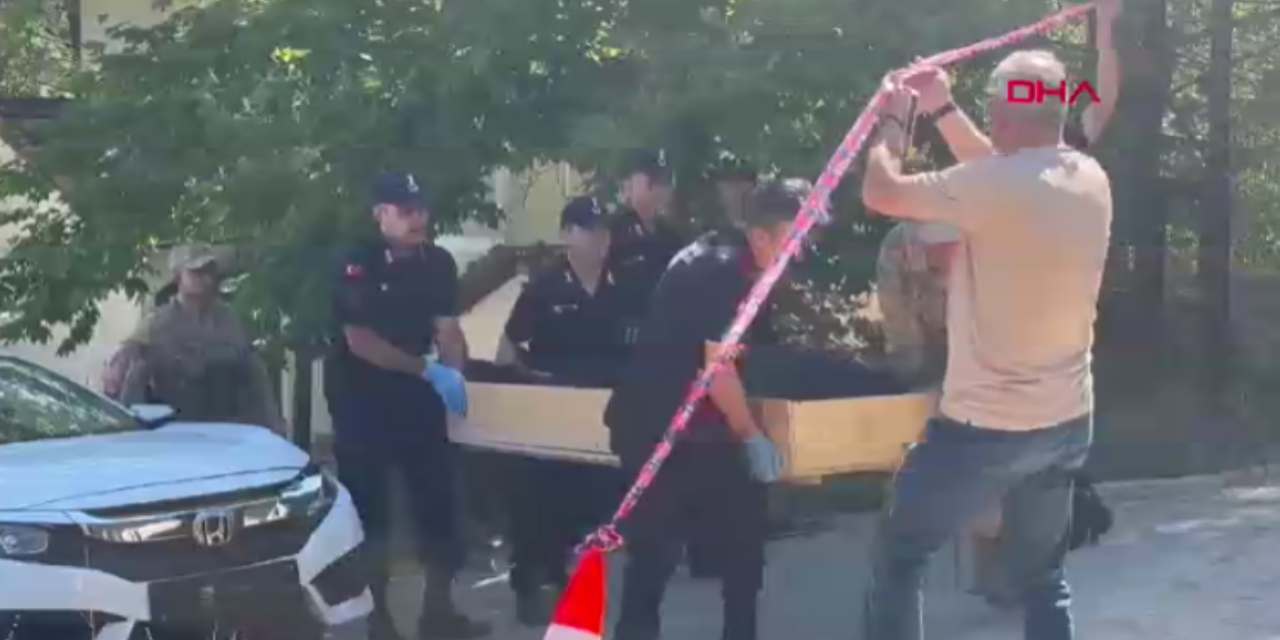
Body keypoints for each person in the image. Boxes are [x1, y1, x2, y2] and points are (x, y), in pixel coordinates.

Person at [860, 47, 1112, 640]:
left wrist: (894, 118)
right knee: (1043, 576)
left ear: (999, 116)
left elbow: (881, 191)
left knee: (900, 553)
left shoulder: (993, 185)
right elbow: (1002, 171)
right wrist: (942, 106)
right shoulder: (1086, 176)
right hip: (1066, 420)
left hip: (984, 428)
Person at [603, 179, 808, 640]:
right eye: (793, 238)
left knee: (743, 553)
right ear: (761, 236)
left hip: (707, 428)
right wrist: (752, 435)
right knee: (654, 556)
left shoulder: (745, 265)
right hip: (659, 429)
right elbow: (718, 368)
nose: (799, 251)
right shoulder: (719, 269)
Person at [323, 172, 489, 640]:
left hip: (418, 397)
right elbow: (360, 341)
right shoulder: (356, 262)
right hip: (362, 399)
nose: (419, 219)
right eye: (406, 210)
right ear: (381, 214)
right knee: (372, 514)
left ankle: (439, 613)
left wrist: (455, 374)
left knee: (439, 502)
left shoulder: (437, 262)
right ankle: (379, 620)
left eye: (422, 209)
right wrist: (428, 371)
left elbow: (448, 329)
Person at [493, 195, 630, 625]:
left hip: (602, 415)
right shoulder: (545, 288)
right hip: (551, 413)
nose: (600, 239)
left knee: (586, 505)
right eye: (590, 230)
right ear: (567, 234)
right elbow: (507, 348)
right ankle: (532, 584)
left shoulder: (622, 286)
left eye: (605, 231)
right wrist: (535, 381)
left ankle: (570, 584)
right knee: (539, 502)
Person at [112, 244, 284, 434]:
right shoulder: (155, 324)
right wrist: (130, 431)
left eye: (209, 271)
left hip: (228, 430)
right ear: (178, 276)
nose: (206, 278)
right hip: (175, 432)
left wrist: (272, 424)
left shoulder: (230, 321)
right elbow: (131, 376)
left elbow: (256, 375)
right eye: (196, 272)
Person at [607, 148, 683, 336]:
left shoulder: (671, 236)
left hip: (663, 333)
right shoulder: (614, 231)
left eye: (664, 182)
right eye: (652, 182)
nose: (661, 189)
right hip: (623, 334)